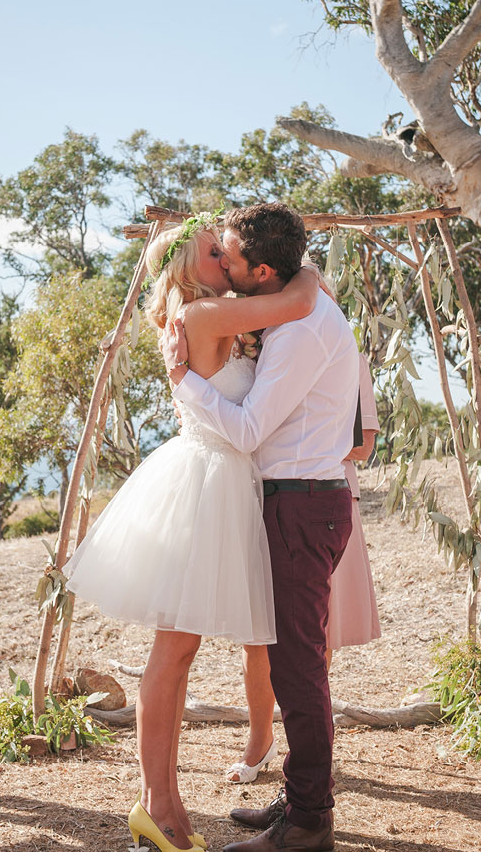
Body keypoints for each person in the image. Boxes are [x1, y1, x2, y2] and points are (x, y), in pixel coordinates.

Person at [63, 208, 320, 852]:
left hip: (226, 486)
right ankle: (157, 805)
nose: (227, 262)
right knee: (172, 655)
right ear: (188, 270)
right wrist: (304, 262)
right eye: (215, 253)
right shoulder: (203, 318)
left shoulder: (211, 318)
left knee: (182, 654)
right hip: (203, 488)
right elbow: (298, 300)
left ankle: (167, 806)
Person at [163, 203, 360, 852]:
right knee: (291, 664)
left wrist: (182, 381)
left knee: (298, 669)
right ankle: (298, 798)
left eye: (232, 259)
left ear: (264, 272)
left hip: (301, 506)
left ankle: (309, 824)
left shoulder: (299, 331)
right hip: (298, 502)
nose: (225, 264)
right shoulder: (291, 307)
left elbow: (248, 429)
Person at [226, 353, 381, 784]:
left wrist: (302, 440)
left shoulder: (350, 358)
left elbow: (364, 443)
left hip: (326, 495)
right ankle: (260, 739)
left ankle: (305, 748)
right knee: (257, 632)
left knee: (316, 634)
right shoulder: (263, 353)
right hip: (263, 496)